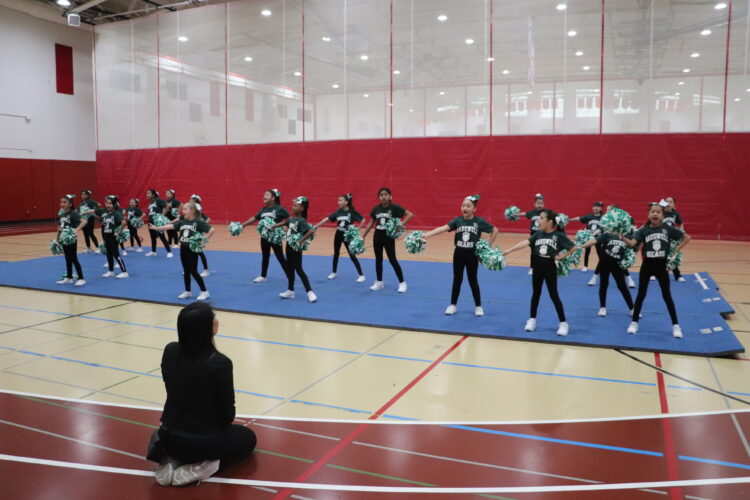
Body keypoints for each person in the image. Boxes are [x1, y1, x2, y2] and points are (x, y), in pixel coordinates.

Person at [148, 302, 257, 486]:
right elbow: (227, 415)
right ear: (207, 327)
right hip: (202, 442)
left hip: (168, 436)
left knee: (188, 436)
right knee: (248, 438)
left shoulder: (170, 350)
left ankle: (172, 459)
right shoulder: (219, 362)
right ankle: (206, 466)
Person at [502, 209, 578, 336]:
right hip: (537, 266)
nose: (539, 220)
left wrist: (562, 256)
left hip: (550, 267)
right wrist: (510, 250)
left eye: (542, 218)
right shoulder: (538, 234)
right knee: (536, 293)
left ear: (549, 221)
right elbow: (525, 242)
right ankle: (532, 320)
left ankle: (563, 323)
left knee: (553, 295)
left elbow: (573, 247)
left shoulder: (558, 235)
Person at [621, 202, 691, 338]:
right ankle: (634, 322)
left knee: (667, 296)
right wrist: (621, 235)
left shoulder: (668, 228)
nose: (655, 214)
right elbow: (632, 244)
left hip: (662, 267)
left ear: (662, 216)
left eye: (658, 212)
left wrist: (676, 250)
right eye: (652, 211)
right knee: (641, 295)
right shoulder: (643, 230)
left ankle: (676, 325)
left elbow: (687, 237)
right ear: (648, 214)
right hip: (647, 266)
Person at [422, 195, 498, 316]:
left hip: (472, 255)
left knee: (473, 280)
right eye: (463, 205)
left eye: (468, 206)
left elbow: (495, 230)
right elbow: (443, 228)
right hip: (459, 253)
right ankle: (453, 305)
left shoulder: (479, 221)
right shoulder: (458, 221)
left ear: (474, 209)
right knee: (457, 279)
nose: (465, 208)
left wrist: (488, 245)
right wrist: (427, 235)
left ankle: (478, 306)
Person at [150, 201, 214, 301]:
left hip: (192, 249)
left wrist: (204, 241)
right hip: (183, 249)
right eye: (183, 209)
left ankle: (204, 292)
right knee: (186, 271)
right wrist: (156, 228)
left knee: (194, 271)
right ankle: (187, 291)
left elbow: (211, 230)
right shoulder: (182, 222)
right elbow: (170, 226)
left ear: (192, 211)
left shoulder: (198, 222)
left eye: (185, 209)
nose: (182, 211)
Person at [361, 187, 413, 293]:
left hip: (388, 237)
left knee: (392, 259)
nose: (383, 196)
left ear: (390, 196)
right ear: (379, 197)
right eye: (381, 195)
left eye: (385, 195)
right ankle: (379, 282)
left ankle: (402, 283)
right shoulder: (376, 208)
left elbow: (410, 214)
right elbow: (371, 223)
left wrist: (401, 225)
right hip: (377, 235)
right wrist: (363, 236)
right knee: (378, 259)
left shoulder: (394, 207)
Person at [272, 196, 317, 302]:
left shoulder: (301, 220)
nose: (293, 208)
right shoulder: (291, 219)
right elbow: (284, 223)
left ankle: (310, 291)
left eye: (296, 206)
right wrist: (273, 226)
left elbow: (311, 231)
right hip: (288, 246)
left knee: (299, 269)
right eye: (293, 205)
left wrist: (301, 241)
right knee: (290, 268)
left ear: (302, 208)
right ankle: (290, 291)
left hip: (296, 247)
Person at [312, 193, 365, 282]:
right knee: (336, 253)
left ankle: (361, 275)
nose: (338, 202)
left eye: (340, 200)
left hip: (347, 235)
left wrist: (358, 228)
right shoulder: (338, 211)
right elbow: (327, 218)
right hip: (338, 234)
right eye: (338, 200)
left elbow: (363, 220)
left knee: (352, 255)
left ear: (346, 202)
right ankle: (334, 272)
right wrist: (316, 225)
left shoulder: (352, 212)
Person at [239, 189, 289, 284]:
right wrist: (242, 225)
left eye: (267, 194)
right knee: (265, 256)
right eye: (264, 194)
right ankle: (263, 276)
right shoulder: (264, 209)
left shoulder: (280, 209)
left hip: (275, 237)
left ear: (273, 198)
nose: (264, 196)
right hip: (264, 237)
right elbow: (254, 218)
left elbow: (289, 219)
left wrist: (285, 229)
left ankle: (289, 275)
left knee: (280, 257)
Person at [579, 231, 634, 317]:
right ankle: (602, 307)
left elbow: (633, 246)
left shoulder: (627, 236)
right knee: (603, 284)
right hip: (604, 263)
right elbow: (594, 241)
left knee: (622, 286)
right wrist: (581, 246)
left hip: (618, 265)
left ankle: (632, 309)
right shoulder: (607, 234)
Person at [55, 194, 87, 287]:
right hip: (64, 239)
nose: (62, 204)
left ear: (70, 204)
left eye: (65, 202)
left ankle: (81, 278)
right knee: (67, 259)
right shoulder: (61, 215)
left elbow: (84, 221)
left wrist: (76, 230)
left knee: (73, 258)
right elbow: (59, 228)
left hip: (71, 239)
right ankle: (69, 278)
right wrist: (57, 240)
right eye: (61, 202)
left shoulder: (73, 213)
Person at [510, 193, 545, 275]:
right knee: (533, 252)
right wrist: (516, 214)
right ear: (534, 204)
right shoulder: (532, 212)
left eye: (541, 203)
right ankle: (532, 268)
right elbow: (524, 214)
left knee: (543, 251)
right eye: (538, 203)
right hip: (533, 235)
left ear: (544, 204)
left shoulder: (546, 212)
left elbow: (554, 216)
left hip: (543, 235)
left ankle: (543, 267)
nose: (539, 205)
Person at [95, 195, 129, 279]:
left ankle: (124, 272)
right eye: (106, 203)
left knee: (115, 254)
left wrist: (119, 232)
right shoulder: (107, 214)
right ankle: (111, 271)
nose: (107, 205)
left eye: (110, 204)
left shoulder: (116, 213)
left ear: (114, 205)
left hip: (113, 237)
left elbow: (124, 222)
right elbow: (105, 223)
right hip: (107, 236)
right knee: (109, 254)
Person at [570, 201, 604, 274]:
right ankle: (585, 266)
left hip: (598, 237)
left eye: (598, 206)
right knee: (587, 251)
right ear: (592, 207)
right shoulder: (589, 216)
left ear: (601, 208)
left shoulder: (603, 217)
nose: (596, 208)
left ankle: (602, 266)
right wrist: (569, 220)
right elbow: (579, 218)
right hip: (588, 237)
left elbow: (601, 228)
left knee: (599, 252)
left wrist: (594, 234)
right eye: (595, 206)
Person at [145, 189, 173, 258]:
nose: (147, 195)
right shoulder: (150, 203)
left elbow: (167, 205)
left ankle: (169, 252)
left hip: (157, 221)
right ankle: (153, 251)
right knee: (153, 237)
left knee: (162, 237)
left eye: (148, 193)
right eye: (147, 193)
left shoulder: (158, 200)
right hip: (150, 221)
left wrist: (162, 215)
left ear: (153, 195)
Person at [664, 196, 686, 282]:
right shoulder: (661, 212)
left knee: (672, 255)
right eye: (667, 201)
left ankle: (677, 275)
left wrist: (681, 231)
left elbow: (680, 223)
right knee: (658, 255)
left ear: (674, 205)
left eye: (671, 202)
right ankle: (653, 273)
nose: (668, 203)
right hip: (662, 236)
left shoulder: (675, 213)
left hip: (672, 237)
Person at [79, 189, 101, 254]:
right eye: (82, 194)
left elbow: (96, 209)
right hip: (83, 221)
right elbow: (79, 211)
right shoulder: (81, 203)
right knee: (85, 234)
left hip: (90, 220)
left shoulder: (92, 202)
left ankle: (98, 247)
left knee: (90, 233)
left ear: (88, 195)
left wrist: (92, 211)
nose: (83, 196)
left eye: (85, 194)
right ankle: (88, 248)